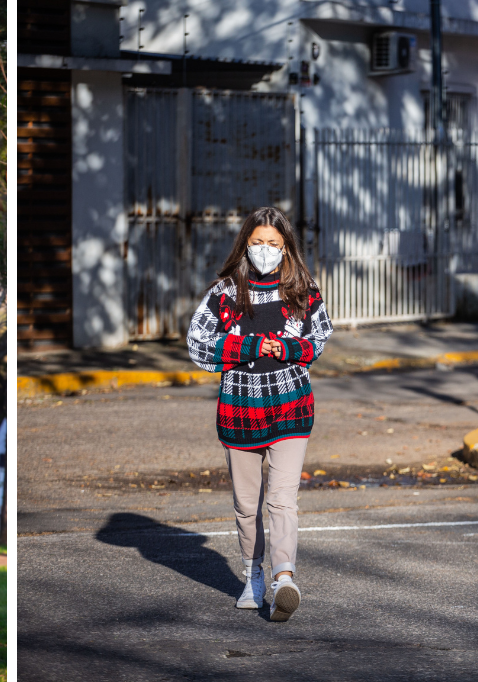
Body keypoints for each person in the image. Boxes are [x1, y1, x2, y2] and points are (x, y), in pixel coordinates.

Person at [187, 206, 333, 622]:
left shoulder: (303, 288)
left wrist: (286, 349)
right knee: (246, 505)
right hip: (240, 410)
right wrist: (248, 348)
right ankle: (252, 575)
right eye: (257, 243)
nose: (265, 250)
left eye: (273, 243)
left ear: (285, 246)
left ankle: (283, 578)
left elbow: (319, 339)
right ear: (244, 244)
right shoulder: (225, 292)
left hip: (291, 406)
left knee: (283, 499)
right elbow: (197, 345)